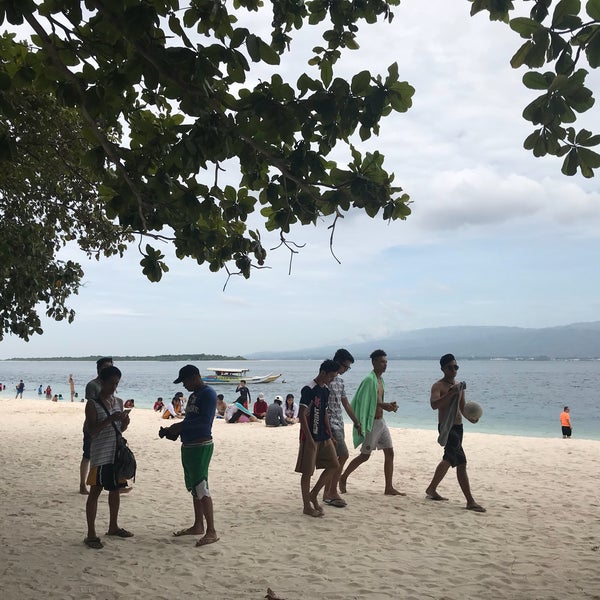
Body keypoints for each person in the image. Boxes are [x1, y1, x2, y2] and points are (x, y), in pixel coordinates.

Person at [160, 364, 219, 547]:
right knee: (194, 487)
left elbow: (204, 422)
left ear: (194, 377)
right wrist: (174, 431)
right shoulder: (194, 396)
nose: (183, 385)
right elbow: (190, 420)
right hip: (189, 445)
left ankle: (211, 531)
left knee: (201, 487)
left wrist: (179, 427)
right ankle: (198, 525)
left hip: (201, 445)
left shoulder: (208, 394)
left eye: (185, 381)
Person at [424, 354, 486, 512]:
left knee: (453, 460)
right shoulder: (438, 386)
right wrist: (450, 393)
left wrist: (470, 418)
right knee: (458, 461)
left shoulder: (459, 386)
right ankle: (470, 501)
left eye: (456, 367)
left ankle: (431, 489)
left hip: (459, 427)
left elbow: (462, 407)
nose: (453, 370)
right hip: (447, 427)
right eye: (450, 367)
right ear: (443, 369)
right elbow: (434, 405)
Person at [339, 349, 404, 496]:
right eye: (382, 362)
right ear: (374, 362)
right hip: (371, 423)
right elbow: (367, 402)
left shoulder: (380, 380)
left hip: (381, 422)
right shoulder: (369, 380)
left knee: (390, 452)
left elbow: (377, 401)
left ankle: (389, 487)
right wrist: (384, 406)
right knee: (365, 456)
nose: (385, 365)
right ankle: (343, 477)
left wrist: (388, 405)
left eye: (386, 362)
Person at [84, 365, 132, 549]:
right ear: (101, 382)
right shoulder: (93, 404)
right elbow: (92, 432)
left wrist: (124, 422)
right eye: (111, 383)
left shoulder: (119, 402)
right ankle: (91, 534)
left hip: (116, 453)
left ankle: (113, 526)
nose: (114, 387)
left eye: (117, 383)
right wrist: (110, 420)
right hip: (100, 454)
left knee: (115, 490)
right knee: (95, 492)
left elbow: (120, 430)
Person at [295, 359, 340, 517]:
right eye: (331, 376)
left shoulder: (326, 390)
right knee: (307, 472)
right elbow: (301, 415)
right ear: (323, 373)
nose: (332, 379)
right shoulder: (309, 389)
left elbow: (325, 413)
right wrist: (310, 440)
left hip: (324, 435)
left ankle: (314, 494)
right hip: (309, 437)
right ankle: (306, 506)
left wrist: (330, 434)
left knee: (334, 464)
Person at [323, 348, 362, 508]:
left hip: (339, 422)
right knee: (343, 455)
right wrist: (327, 429)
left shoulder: (340, 381)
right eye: (345, 366)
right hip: (330, 423)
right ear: (338, 363)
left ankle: (328, 491)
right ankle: (331, 491)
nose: (346, 370)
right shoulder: (327, 380)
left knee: (336, 459)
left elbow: (346, 403)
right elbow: (322, 406)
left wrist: (356, 421)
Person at [81, 357, 113, 495]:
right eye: (105, 367)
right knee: (88, 455)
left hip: (109, 427)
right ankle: (83, 484)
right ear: (99, 369)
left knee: (110, 456)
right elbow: (92, 405)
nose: (107, 369)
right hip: (93, 425)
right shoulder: (92, 385)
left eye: (110, 367)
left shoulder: (110, 383)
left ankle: (115, 484)